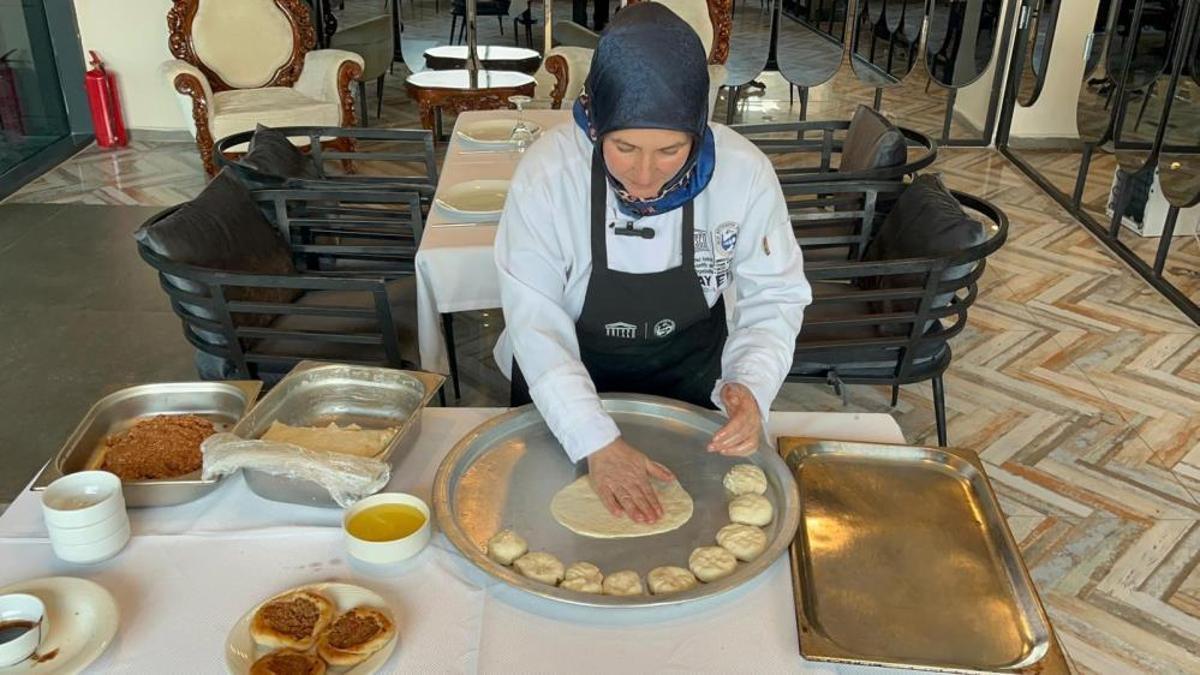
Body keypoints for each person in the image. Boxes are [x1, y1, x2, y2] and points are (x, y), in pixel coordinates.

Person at [493, 3, 811, 525]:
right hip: (564, 385)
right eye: (624, 146)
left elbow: (775, 296)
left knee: (698, 521)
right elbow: (534, 320)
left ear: (698, 130)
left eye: (670, 150)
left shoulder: (744, 174)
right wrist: (592, 438)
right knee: (544, 522)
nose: (644, 176)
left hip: (687, 379)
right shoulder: (548, 175)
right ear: (596, 124)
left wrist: (748, 384)